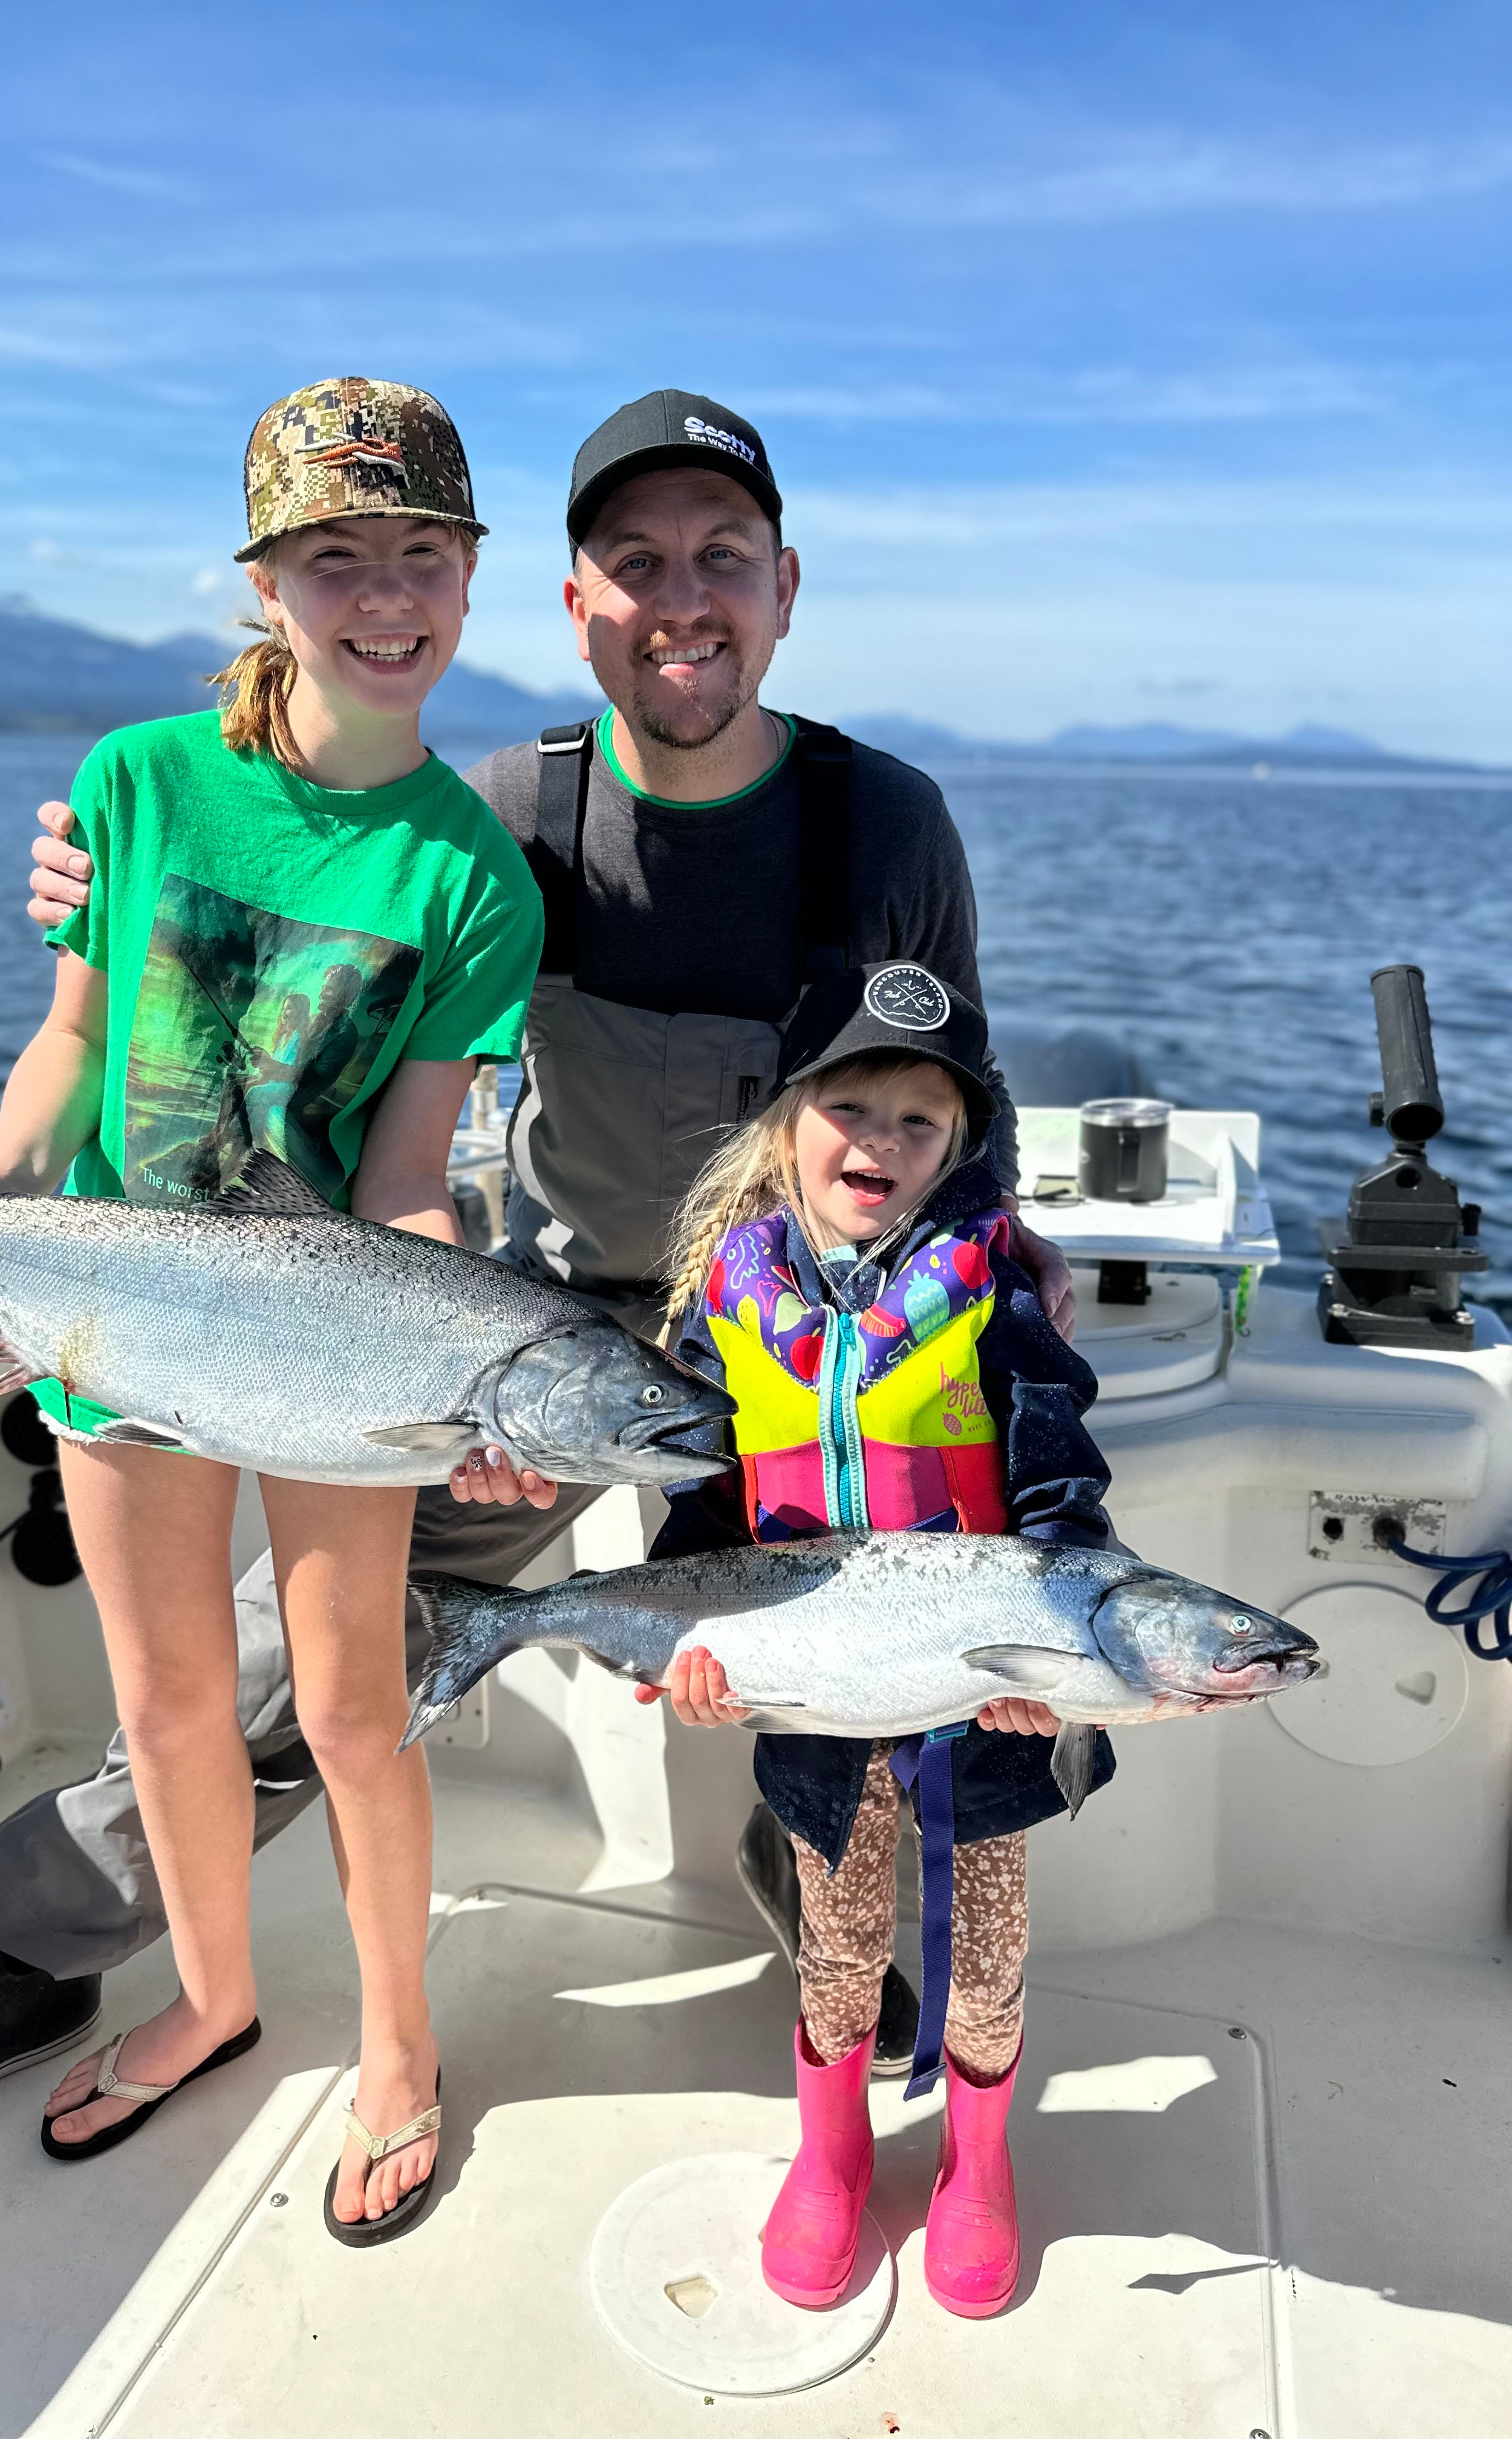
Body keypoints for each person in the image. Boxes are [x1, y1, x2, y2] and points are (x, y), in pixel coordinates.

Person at [0, 388, 1075, 2152]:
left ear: (785, 588)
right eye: (638, 563)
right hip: (537, 1329)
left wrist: (1010, 1275)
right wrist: (80, 879)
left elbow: (950, 1095)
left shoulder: (888, 825)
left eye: (722, 560)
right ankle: (35, 1936)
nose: (682, 598)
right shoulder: (502, 818)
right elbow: (261, 858)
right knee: (278, 1678)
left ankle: (835, 1922)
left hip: (805, 1348)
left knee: (878, 1630)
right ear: (573, 604)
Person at [0, 378, 544, 2246]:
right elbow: (68, 1040)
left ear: (469, 575)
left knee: (360, 1717)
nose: (386, 597)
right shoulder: (137, 780)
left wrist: (460, 1344)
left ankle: (397, 2048)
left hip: (326, 1345)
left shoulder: (474, 873)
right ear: (267, 583)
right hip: (116, 1316)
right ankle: (211, 1998)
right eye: (336, 559)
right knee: (167, 1702)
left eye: (421, 557)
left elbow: (408, 1172)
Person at [648, 961, 1117, 2316]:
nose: (882, 1142)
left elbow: (1059, 1496)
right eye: (850, 1106)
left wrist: (1062, 1671)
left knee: (987, 1950)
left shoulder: (998, 1292)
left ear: (962, 1143)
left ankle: (978, 2166)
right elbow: (703, 1501)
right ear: (786, 1121)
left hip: (986, 1698)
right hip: (812, 1692)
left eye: (922, 1120)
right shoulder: (727, 1300)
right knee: (838, 1940)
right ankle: (835, 2149)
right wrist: (689, 1644)